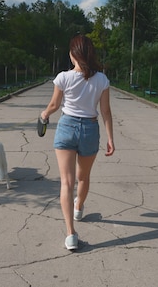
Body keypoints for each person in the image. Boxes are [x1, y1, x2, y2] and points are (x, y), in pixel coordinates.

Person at [40, 34, 115, 251]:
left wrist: (44, 115)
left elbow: (54, 105)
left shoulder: (63, 77)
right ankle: (79, 207)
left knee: (66, 182)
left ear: (73, 54)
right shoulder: (102, 79)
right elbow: (106, 111)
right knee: (83, 178)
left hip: (66, 129)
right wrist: (111, 137)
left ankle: (70, 234)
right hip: (90, 129)